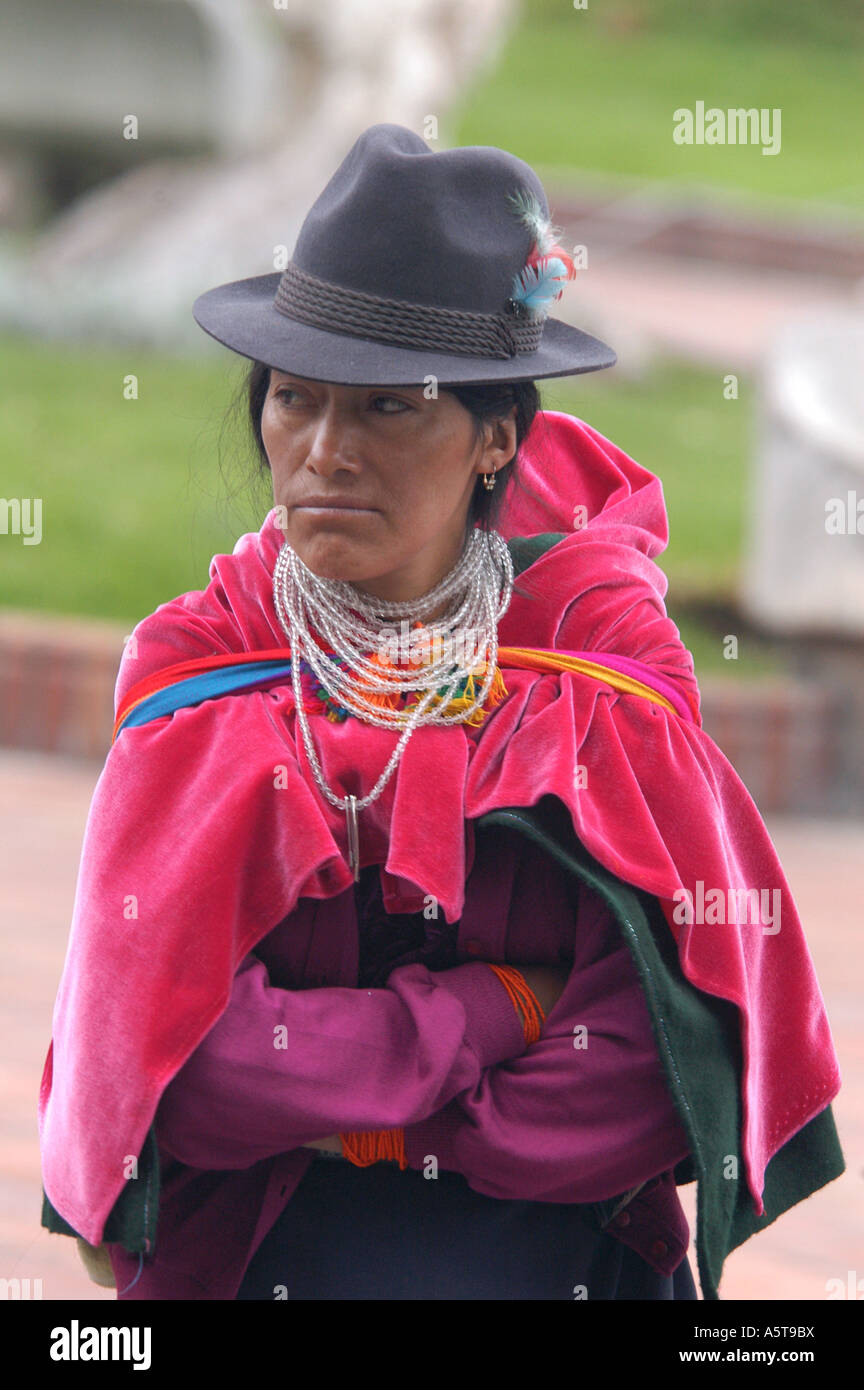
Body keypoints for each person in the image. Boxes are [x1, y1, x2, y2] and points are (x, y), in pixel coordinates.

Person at [39, 123, 844, 1301]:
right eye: (296, 400)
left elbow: (644, 1080)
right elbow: (185, 1072)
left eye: (386, 409)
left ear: (497, 440)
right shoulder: (205, 673)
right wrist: (497, 1008)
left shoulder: (597, 670)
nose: (324, 451)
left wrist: (351, 1106)